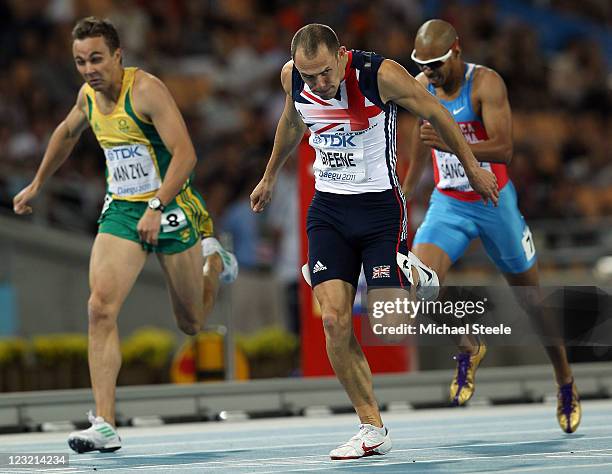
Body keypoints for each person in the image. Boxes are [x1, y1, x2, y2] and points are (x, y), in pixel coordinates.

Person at [250, 23, 498, 460]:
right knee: (333, 321)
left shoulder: (378, 75)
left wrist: (473, 167)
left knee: (389, 326)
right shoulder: (294, 78)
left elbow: (436, 113)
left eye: (324, 74)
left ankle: (418, 280)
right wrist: (269, 176)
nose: (318, 85)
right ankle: (371, 426)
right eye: (308, 77)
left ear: (341, 55)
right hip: (327, 211)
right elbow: (291, 121)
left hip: (381, 209)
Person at [12, 17, 238, 454]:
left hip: (170, 205)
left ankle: (215, 260)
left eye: (97, 58)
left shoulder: (147, 90)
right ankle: (105, 423)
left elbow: (186, 155)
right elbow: (65, 133)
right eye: (80, 61)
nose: (89, 69)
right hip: (122, 209)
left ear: (118, 55)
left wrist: (156, 206)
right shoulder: (87, 96)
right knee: (99, 308)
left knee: (192, 323)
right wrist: (38, 182)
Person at [403, 19, 581, 433]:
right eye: (423, 65)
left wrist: (452, 142)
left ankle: (565, 380)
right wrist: (405, 191)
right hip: (449, 203)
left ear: (457, 51)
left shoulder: (485, 85)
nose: (429, 73)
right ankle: (467, 345)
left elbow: (504, 148)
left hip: (494, 203)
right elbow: (418, 145)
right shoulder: (420, 85)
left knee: (531, 301)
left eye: (436, 64)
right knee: (418, 284)